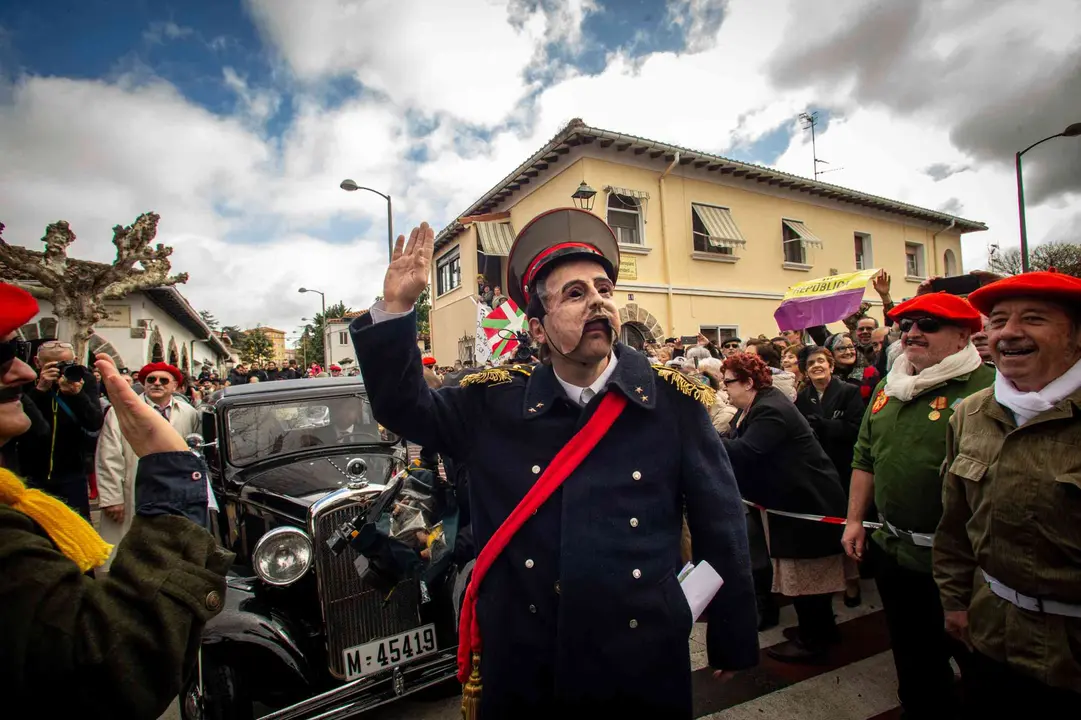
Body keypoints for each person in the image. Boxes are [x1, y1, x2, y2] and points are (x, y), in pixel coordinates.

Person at [350, 212, 758, 717]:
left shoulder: (672, 403)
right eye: (574, 294)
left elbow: (721, 524)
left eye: (603, 288)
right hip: (527, 661)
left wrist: (733, 630)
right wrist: (397, 308)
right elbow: (402, 408)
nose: (597, 302)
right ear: (538, 329)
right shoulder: (491, 405)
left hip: (639, 657)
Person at [0, 283, 231, 718]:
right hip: (131, 498)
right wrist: (167, 472)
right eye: (2, 355)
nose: (26, 373)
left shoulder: (187, 412)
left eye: (21, 352)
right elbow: (109, 664)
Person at [934, 271, 1081, 713]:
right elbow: (955, 524)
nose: (1009, 333)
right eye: (997, 321)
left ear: (1076, 335)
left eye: (1033, 319)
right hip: (992, 634)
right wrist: (956, 601)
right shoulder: (971, 415)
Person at [843, 292, 994, 717]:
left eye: (928, 324)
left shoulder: (989, 390)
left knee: (982, 668)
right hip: (896, 555)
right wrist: (855, 519)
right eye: (907, 325)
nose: (912, 333)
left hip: (969, 567)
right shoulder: (890, 387)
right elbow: (864, 457)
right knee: (915, 664)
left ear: (964, 334)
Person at [721, 353, 848, 662]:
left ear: (748, 382)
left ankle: (813, 640)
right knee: (805, 572)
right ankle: (820, 629)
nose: (725, 391)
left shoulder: (769, 409)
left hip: (806, 503)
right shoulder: (759, 404)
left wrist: (703, 438)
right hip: (794, 501)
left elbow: (747, 451)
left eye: (729, 383)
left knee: (806, 573)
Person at [96, 362, 202, 569]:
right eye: (151, 380)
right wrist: (112, 498)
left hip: (175, 488)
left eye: (164, 380)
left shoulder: (188, 413)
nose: (156, 384)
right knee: (129, 548)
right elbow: (108, 455)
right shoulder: (119, 412)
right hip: (135, 484)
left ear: (175, 386)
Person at [794, 345, 865, 607]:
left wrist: (826, 425)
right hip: (817, 471)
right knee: (828, 527)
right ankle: (834, 579)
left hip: (844, 467)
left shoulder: (849, 392)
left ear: (831, 366)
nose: (816, 366)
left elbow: (856, 429)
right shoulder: (803, 397)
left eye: (821, 361)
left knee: (849, 523)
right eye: (810, 363)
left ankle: (853, 582)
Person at [14, 340, 104, 520]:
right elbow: (20, 422)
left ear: (76, 360)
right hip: (31, 472)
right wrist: (40, 390)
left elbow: (94, 422)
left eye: (66, 364)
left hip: (72, 471)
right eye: (51, 365)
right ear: (37, 362)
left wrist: (77, 396)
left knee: (76, 527)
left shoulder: (84, 379)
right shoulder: (25, 381)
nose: (60, 370)